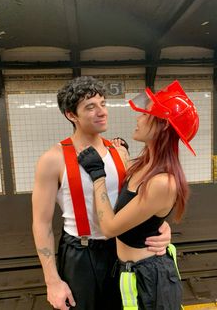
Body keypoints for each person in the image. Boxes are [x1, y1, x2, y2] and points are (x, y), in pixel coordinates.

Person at [32, 76, 172, 310]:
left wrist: (162, 227)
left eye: (103, 104)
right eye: (90, 107)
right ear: (71, 115)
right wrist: (52, 281)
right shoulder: (53, 159)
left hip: (121, 251)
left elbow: (141, 203)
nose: (102, 112)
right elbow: (41, 223)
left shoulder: (119, 153)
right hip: (80, 254)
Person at [78, 80, 199, 310]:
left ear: (163, 126)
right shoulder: (141, 164)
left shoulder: (163, 182)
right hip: (129, 271)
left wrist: (98, 176)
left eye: (146, 114)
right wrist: (121, 150)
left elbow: (110, 228)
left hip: (150, 278)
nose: (138, 118)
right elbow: (136, 198)